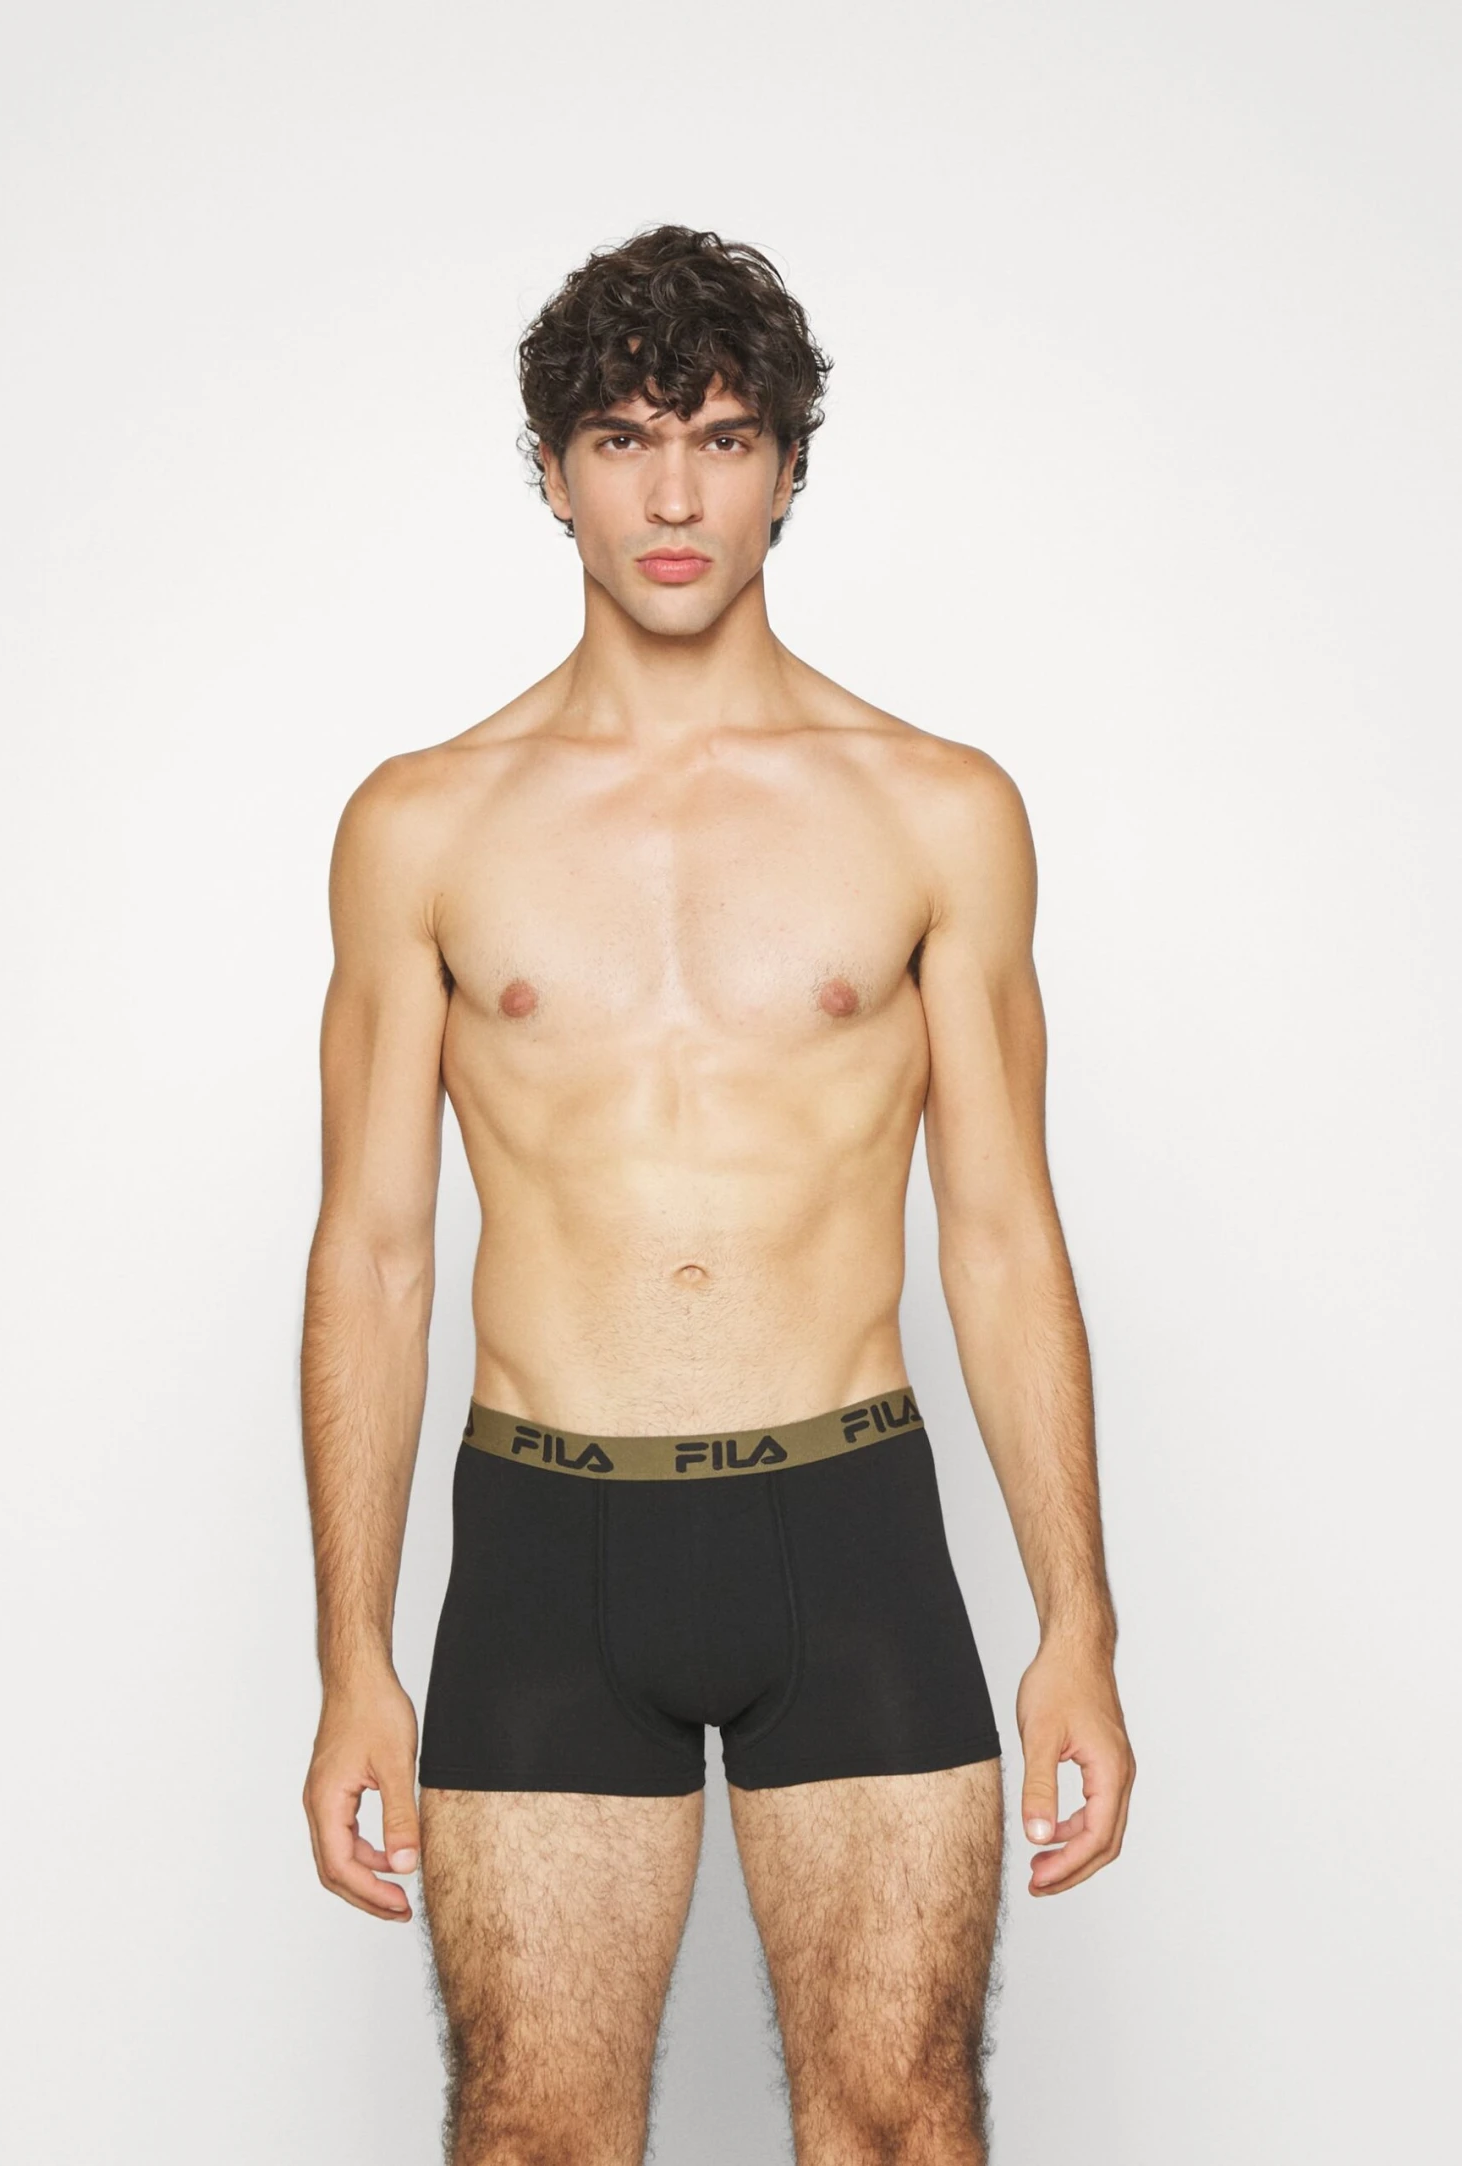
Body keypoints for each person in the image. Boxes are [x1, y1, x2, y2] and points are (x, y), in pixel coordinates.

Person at [299, 222, 1134, 2166]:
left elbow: (1002, 1231)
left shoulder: (935, 807)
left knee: (903, 2125)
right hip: (544, 1547)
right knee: (535, 2136)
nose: (673, 496)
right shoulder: (422, 824)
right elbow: (377, 1254)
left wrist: (1079, 1620)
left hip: (850, 1534)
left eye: (723, 438)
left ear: (787, 468)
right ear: (552, 472)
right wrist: (353, 1656)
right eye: (623, 438)